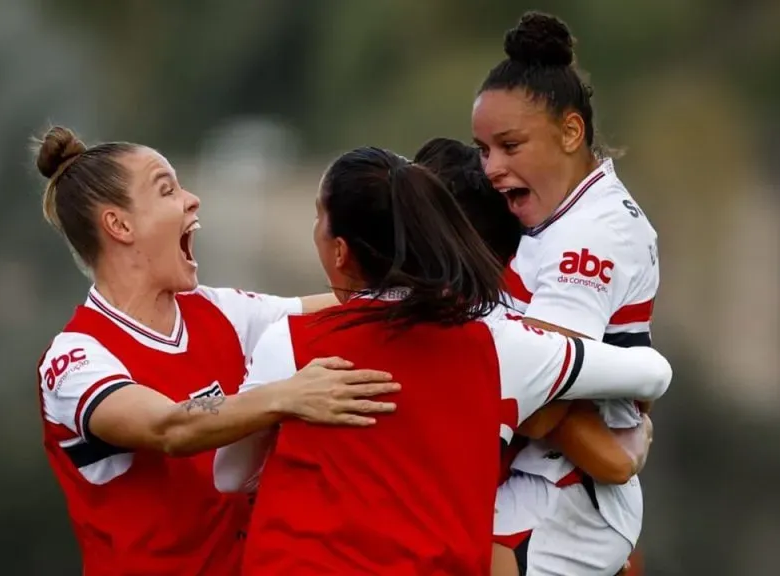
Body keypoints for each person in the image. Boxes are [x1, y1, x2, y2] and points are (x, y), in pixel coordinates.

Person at [213, 146, 671, 575]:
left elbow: (230, 474)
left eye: (318, 216)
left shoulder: (291, 342)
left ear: (340, 251)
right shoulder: (500, 341)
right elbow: (652, 372)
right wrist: (634, 417)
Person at [33, 126, 401, 576]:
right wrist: (286, 395)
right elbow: (168, 427)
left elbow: (346, 303)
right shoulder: (76, 357)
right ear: (120, 225)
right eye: (167, 190)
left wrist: (429, 285)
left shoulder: (214, 309)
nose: (192, 199)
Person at [471, 12, 661, 576]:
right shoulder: (552, 216)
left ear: (571, 132)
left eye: (509, 145)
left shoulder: (591, 237)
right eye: (483, 150)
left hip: (561, 502)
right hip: (543, 486)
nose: (492, 167)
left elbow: (539, 389)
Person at [416, 137, 651, 575]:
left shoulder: (488, 323)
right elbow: (621, 453)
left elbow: (608, 456)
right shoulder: (426, 314)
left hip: (536, 522)